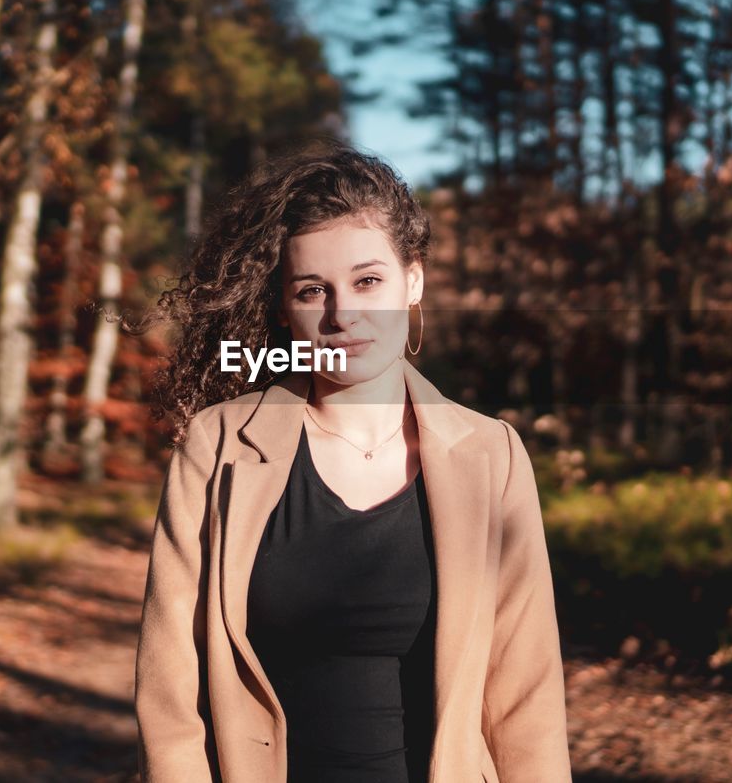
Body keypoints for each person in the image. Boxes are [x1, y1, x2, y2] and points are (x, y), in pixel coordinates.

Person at [134, 141, 571, 782]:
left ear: (412, 280)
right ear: (284, 308)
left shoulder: (491, 454)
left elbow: (524, 700)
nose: (344, 316)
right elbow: (171, 693)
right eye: (314, 291)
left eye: (369, 281)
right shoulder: (218, 445)